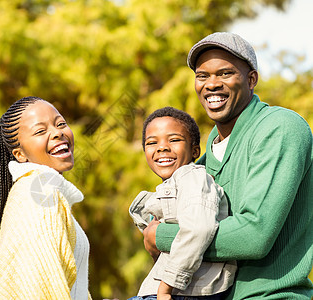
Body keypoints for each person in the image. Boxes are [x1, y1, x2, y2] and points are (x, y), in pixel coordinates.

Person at [143, 32, 313, 299]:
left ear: (251, 79)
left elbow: (254, 235)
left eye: (225, 73)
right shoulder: (205, 155)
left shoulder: (280, 127)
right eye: (202, 76)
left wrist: (160, 236)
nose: (211, 84)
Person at [0, 96, 91, 299]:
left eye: (61, 124)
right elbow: (41, 287)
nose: (57, 133)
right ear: (20, 154)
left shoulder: (38, 191)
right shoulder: (39, 196)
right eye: (40, 131)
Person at [128, 107, 236, 300]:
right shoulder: (173, 186)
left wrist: (166, 287)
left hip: (186, 292)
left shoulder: (192, 177)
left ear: (195, 150)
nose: (162, 147)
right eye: (152, 142)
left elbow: (198, 229)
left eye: (174, 139)